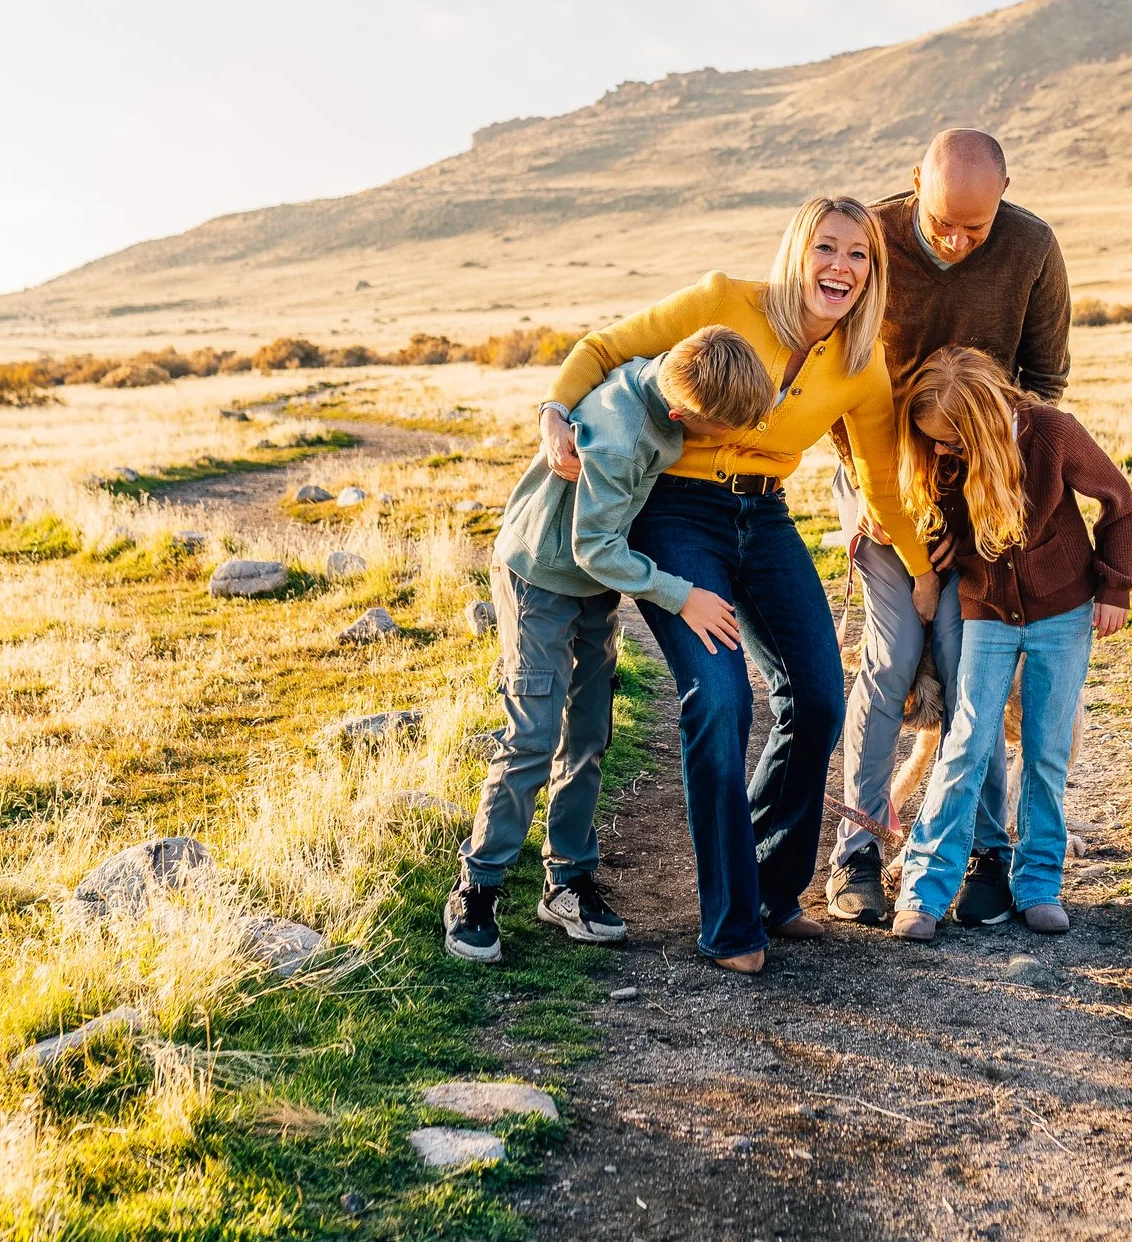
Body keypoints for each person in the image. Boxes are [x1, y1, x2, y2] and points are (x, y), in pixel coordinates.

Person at [537, 197, 935, 973]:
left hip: (767, 518)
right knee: (720, 697)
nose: (841, 267)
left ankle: (770, 891)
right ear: (798, 251)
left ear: (873, 272)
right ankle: (728, 924)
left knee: (818, 695)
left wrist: (922, 571)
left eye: (859, 255)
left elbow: (883, 483)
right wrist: (554, 409)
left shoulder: (861, 361)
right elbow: (604, 345)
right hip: (677, 511)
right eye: (827, 248)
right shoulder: (724, 301)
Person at [445, 325, 774, 965]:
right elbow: (592, 548)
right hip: (541, 578)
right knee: (533, 735)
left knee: (590, 731)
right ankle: (478, 886)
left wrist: (553, 409)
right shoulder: (622, 440)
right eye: (719, 432)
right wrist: (682, 595)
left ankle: (567, 877)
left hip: (595, 587)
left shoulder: (666, 371)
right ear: (681, 414)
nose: (724, 443)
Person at [827, 127, 1075, 930]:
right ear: (913, 186)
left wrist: (980, 501)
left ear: (1005, 192)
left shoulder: (1034, 248)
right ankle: (857, 848)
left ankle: (985, 852)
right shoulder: (872, 242)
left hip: (981, 481)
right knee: (895, 652)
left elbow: (1044, 382)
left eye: (976, 227)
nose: (957, 241)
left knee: (973, 659)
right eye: (942, 223)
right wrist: (887, 507)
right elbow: (832, 372)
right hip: (878, 477)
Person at [888, 345, 1132, 942]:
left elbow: (1118, 501)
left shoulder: (1054, 435)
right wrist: (934, 543)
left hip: (1065, 611)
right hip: (988, 611)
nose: (942, 452)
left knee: (1049, 750)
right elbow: (939, 515)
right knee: (967, 741)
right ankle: (923, 889)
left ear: (982, 422)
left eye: (951, 441)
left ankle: (1039, 885)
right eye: (934, 443)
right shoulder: (944, 455)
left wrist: (1115, 587)